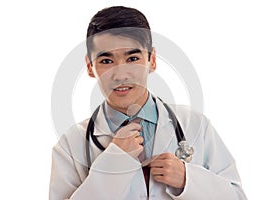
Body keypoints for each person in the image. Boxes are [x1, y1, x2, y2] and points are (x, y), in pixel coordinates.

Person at [49, 6, 247, 200]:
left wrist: (188, 180)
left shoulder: (195, 124)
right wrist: (113, 164)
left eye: (133, 58)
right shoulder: (70, 145)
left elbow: (237, 196)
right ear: (90, 67)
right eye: (106, 61)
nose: (120, 74)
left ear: (152, 60)